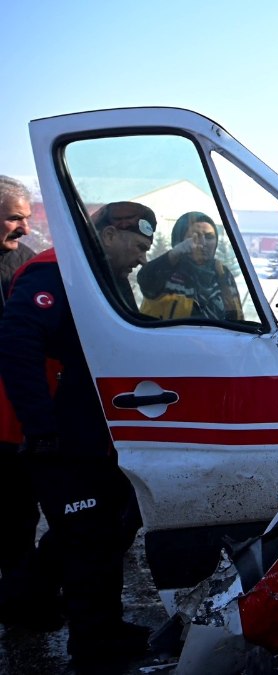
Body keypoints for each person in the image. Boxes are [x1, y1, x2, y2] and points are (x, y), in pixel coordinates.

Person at [0, 201, 155, 663]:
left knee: (93, 526)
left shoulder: (96, 278)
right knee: (87, 534)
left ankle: (27, 603)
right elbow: (17, 344)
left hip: (82, 429)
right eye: (140, 246)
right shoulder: (53, 272)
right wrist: (41, 427)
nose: (144, 258)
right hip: (44, 429)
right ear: (108, 235)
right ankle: (95, 642)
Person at [0, 176, 51, 629]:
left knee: (18, 515)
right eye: (14, 217)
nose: (23, 227)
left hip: (12, 415)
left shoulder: (26, 263)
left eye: (26, 218)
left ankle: (20, 605)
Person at [138, 211, 243, 321]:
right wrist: (175, 253)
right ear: (180, 240)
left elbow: (236, 317)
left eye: (209, 237)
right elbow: (145, 280)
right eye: (195, 237)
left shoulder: (222, 274)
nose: (203, 243)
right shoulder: (166, 270)